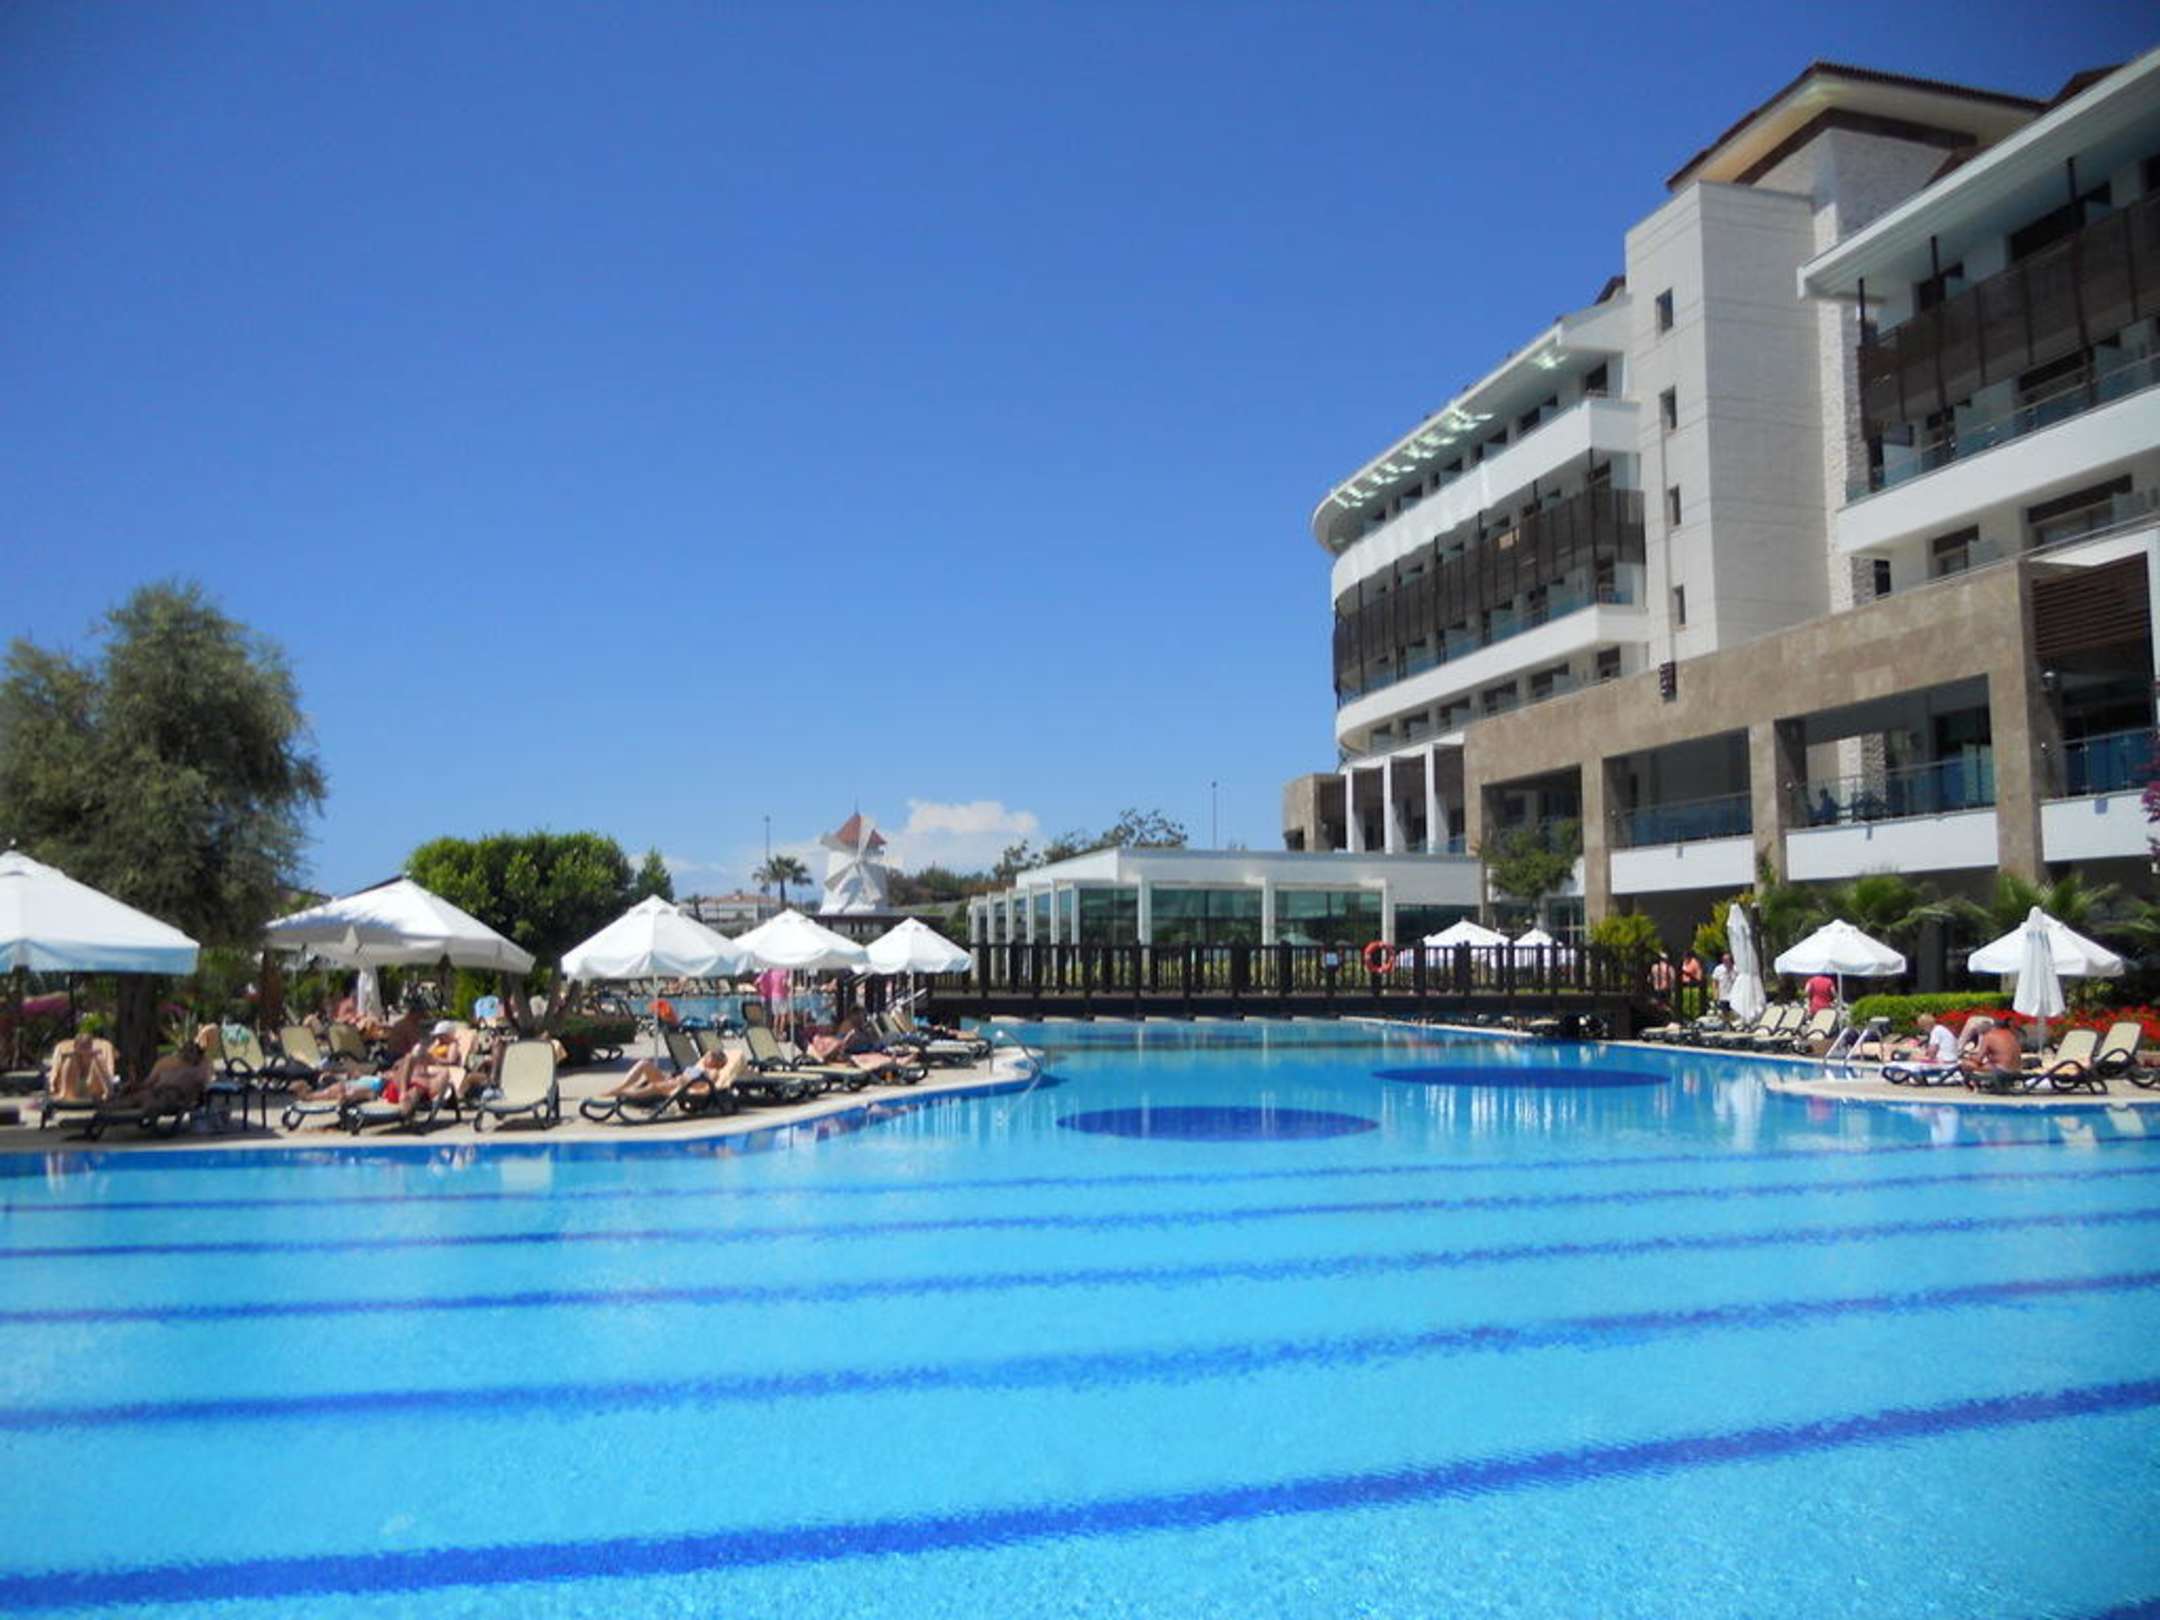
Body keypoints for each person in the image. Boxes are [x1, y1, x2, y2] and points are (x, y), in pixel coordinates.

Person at [109, 1033, 216, 1117]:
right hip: (157, 1092)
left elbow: (202, 1085)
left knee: (146, 1098)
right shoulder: (169, 1065)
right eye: (185, 1050)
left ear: (198, 1054)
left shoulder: (200, 1068)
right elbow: (149, 1082)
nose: (187, 1054)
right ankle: (107, 1107)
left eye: (192, 1050)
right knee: (136, 1095)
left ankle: (114, 1108)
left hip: (175, 1096)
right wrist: (135, 1086)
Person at [603, 1043, 746, 1106]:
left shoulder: (713, 1072)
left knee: (653, 1087)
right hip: (671, 1082)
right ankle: (622, 1088)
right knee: (644, 1064)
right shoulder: (701, 1066)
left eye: (709, 1056)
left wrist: (685, 1087)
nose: (705, 1057)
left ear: (716, 1061)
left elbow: (706, 1089)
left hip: (676, 1088)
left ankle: (620, 1093)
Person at [47, 1028, 116, 1103]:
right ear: (75, 1046)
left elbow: (109, 1073)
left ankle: (107, 1093)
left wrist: (109, 1088)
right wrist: (52, 1085)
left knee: (98, 1058)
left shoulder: (96, 1057)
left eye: (86, 1046)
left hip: (93, 1087)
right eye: (82, 1046)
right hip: (71, 1088)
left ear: (91, 1046)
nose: (84, 1050)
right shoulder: (70, 1058)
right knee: (69, 1060)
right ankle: (64, 1093)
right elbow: (55, 1071)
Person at [1963, 1020, 2027, 1093]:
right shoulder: (2012, 1035)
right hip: (2017, 1070)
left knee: (1966, 1063)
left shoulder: (1989, 1036)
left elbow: (1978, 1059)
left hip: (2002, 1070)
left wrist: (1969, 1056)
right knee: (1989, 1064)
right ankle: (1990, 1084)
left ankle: (1970, 1086)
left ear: (1993, 1026)